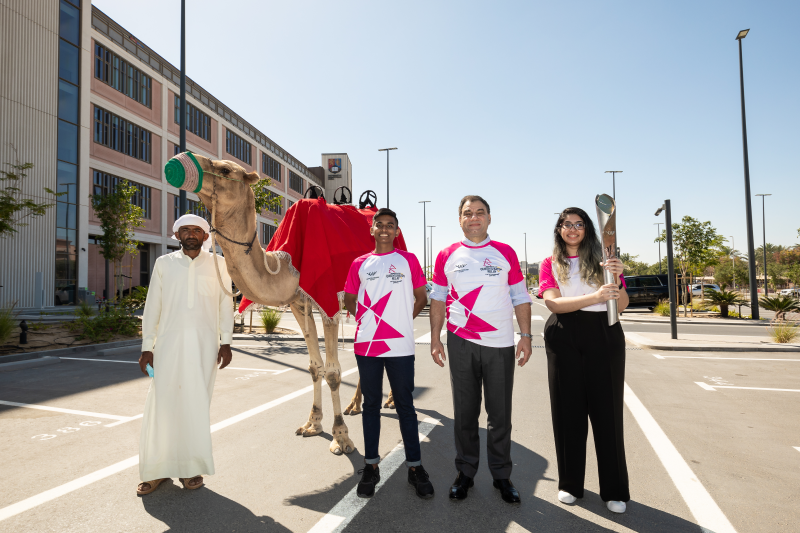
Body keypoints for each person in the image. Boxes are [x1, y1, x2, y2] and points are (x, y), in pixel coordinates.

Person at [429, 195, 532, 504]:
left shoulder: (505, 253)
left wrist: (525, 336)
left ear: (489, 218)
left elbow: (520, 296)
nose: (473, 217)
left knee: (500, 415)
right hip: (460, 342)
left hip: (500, 344)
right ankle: (466, 473)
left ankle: (502, 475)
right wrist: (435, 338)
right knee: (465, 413)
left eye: (479, 212)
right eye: (467, 213)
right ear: (460, 220)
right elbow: (436, 300)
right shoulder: (447, 254)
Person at [538, 207, 629, 514]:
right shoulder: (549, 263)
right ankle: (569, 484)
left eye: (579, 224)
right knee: (568, 413)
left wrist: (614, 278)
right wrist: (595, 297)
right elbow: (553, 302)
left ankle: (614, 490)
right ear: (559, 230)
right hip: (564, 335)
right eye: (567, 225)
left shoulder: (605, 262)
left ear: (588, 229)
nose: (573, 229)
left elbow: (623, 303)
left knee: (608, 413)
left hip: (605, 334)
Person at [136, 214, 234, 496]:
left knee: (195, 405)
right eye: (185, 230)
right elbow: (153, 306)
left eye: (197, 230)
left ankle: (191, 468)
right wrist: (147, 346)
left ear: (206, 236)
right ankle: (156, 471)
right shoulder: (164, 264)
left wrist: (225, 342)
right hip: (167, 345)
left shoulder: (219, 265)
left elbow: (225, 305)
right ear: (176, 235)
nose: (191, 234)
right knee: (162, 404)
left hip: (205, 347)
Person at [343, 208, 434, 499]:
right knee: (371, 405)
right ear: (372, 230)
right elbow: (348, 298)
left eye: (390, 225)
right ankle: (371, 466)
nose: (384, 229)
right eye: (379, 225)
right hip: (367, 345)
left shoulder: (408, 260)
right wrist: (367, 320)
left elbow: (422, 296)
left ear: (397, 231)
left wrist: (404, 321)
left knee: (405, 405)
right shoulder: (359, 263)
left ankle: (415, 468)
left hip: (400, 346)